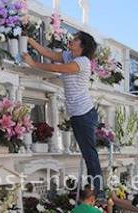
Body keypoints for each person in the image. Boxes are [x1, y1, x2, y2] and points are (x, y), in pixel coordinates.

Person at [23, 32, 104, 196]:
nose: (72, 41)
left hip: (84, 113)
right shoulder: (69, 56)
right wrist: (28, 39)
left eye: (75, 39)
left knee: (90, 155)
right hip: (77, 114)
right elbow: (48, 54)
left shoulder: (83, 62)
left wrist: (33, 64)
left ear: (82, 46)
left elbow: (57, 68)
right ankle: (94, 189)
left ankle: (99, 192)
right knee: (87, 153)